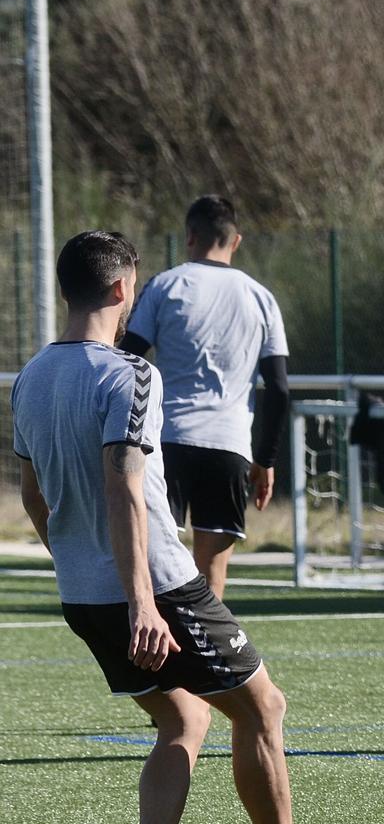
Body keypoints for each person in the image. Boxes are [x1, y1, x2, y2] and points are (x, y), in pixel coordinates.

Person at [15, 230, 384, 824]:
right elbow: (125, 488)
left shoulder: (30, 376)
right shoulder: (130, 375)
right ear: (125, 289)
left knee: (184, 716)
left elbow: (34, 494)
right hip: (155, 588)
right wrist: (143, 603)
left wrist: (82, 568)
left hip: (82, 594)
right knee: (262, 706)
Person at [118, 195, 289, 600]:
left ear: (190, 235)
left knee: (158, 569)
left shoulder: (166, 285)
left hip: (168, 443)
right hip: (229, 446)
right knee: (210, 580)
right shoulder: (261, 298)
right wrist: (265, 460)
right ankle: (207, 662)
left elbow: (126, 361)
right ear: (236, 241)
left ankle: (156, 658)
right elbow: (279, 388)